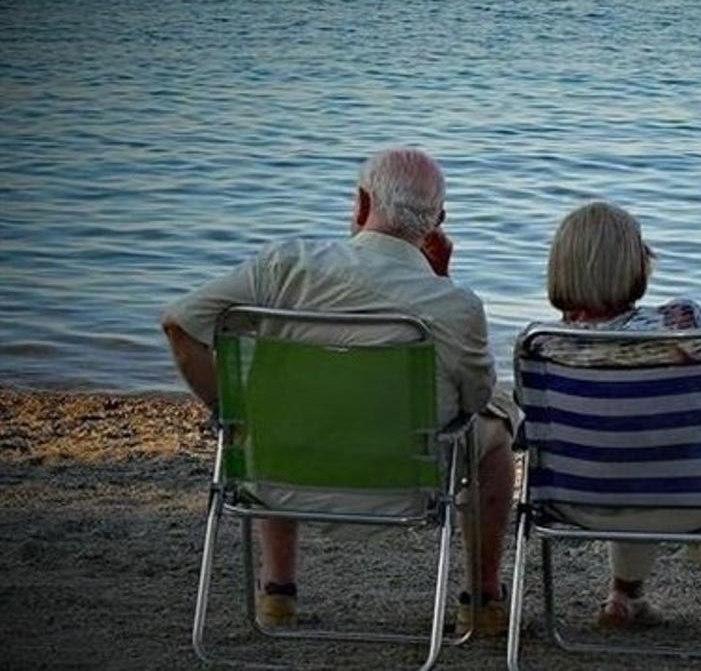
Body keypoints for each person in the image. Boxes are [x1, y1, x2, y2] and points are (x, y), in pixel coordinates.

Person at [161, 147, 516, 636]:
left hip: (281, 477)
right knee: (498, 425)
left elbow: (180, 326)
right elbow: (475, 399)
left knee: (275, 406)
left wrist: (232, 414)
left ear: (361, 201)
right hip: (404, 489)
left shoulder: (284, 266)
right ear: (438, 222)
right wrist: (441, 281)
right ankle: (482, 600)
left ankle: (277, 595)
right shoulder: (454, 303)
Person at [535, 200, 701, 634]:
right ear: (635, 264)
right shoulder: (688, 324)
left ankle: (623, 597)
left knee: (623, 449)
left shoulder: (543, 347)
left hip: (578, 504)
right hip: (699, 504)